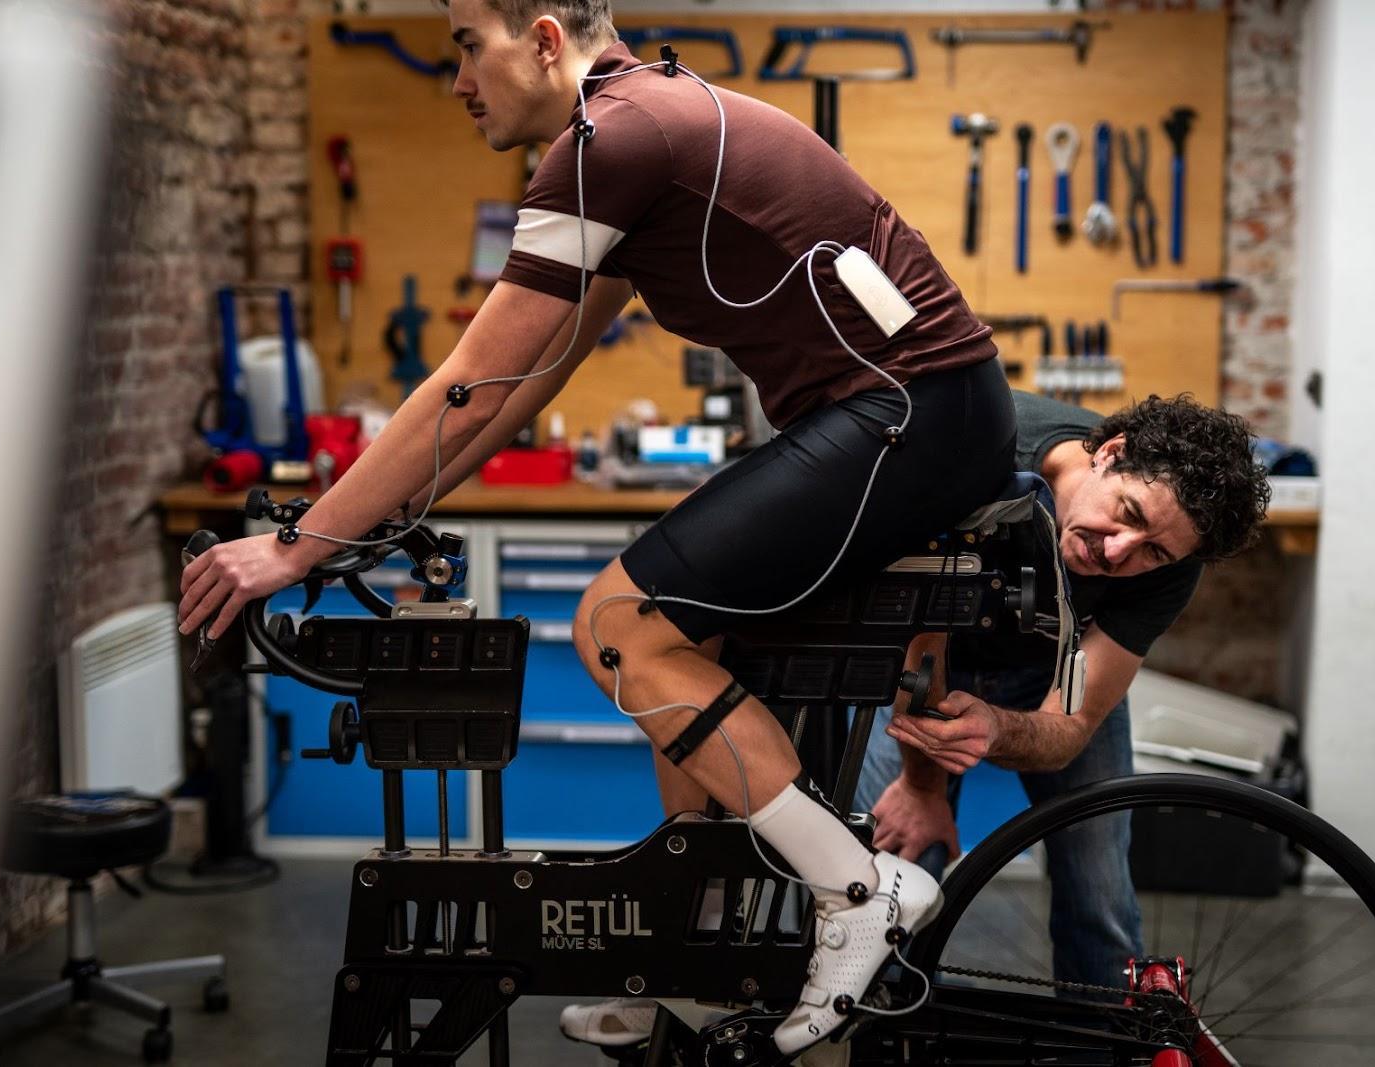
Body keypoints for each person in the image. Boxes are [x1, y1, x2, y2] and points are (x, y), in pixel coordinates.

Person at [177, 0, 1015, 1054]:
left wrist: (301, 544)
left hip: (909, 415)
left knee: (620, 625)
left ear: (539, 39)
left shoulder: (607, 139)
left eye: (465, 49)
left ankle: (858, 889)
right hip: (919, 413)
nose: (457, 83)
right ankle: (696, 959)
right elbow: (524, 378)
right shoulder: (644, 125)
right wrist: (375, 518)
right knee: (687, 641)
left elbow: (468, 387)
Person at [862, 390, 1271, 991]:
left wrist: (998, 728)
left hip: (1056, 670)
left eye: (1152, 551)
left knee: (1099, 889)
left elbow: (1068, 733)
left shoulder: (1175, 561)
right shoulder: (977, 444)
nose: (1118, 551)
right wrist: (922, 787)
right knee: (882, 880)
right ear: (1109, 453)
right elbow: (915, 645)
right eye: (1128, 514)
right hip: (917, 648)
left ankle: (1099, 1043)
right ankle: (878, 1033)